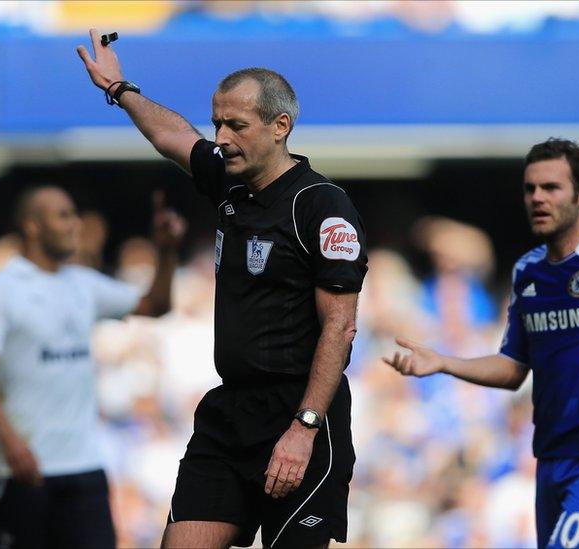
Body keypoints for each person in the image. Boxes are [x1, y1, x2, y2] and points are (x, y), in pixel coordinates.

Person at [77, 29, 368, 548]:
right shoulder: (231, 179)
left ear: (281, 127)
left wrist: (303, 428)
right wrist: (119, 88)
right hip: (229, 413)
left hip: (297, 414)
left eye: (237, 124)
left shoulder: (319, 205)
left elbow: (340, 327)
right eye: (217, 122)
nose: (221, 136)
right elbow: (171, 135)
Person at [384, 138, 579, 549]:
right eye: (530, 188)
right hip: (549, 456)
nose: (537, 198)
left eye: (551, 188)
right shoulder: (528, 272)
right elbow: (513, 369)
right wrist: (443, 362)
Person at [0, 186, 185, 548]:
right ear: (32, 225)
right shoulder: (0, 289)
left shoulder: (83, 284)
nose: (75, 225)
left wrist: (166, 250)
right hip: (23, 471)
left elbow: (157, 305)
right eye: (64, 215)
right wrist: (10, 443)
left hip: (85, 471)